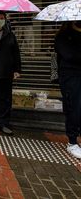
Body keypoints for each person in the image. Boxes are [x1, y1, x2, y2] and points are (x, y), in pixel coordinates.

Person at [54, 21, 81, 159]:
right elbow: (70, 55)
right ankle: (72, 141)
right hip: (70, 76)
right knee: (74, 107)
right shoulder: (63, 36)